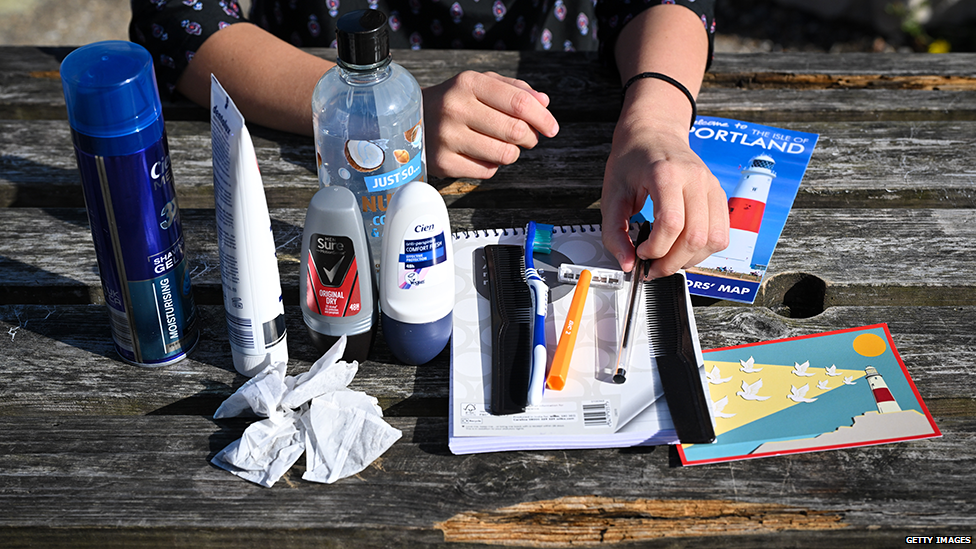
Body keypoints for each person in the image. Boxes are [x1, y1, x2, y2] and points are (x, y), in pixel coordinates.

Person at [130, 0, 728, 278]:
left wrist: (656, 122)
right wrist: (371, 105)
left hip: (550, 127)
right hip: (305, 113)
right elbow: (179, 20)